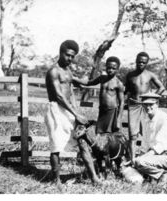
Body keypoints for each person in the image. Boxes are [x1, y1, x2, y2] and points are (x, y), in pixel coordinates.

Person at [44, 40, 101, 186]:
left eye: (72, 56)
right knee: (56, 146)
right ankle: (56, 181)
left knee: (82, 142)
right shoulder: (53, 72)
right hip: (56, 110)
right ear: (60, 52)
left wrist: (76, 113)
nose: (70, 58)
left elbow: (73, 92)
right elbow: (59, 96)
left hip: (69, 110)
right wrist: (76, 114)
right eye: (68, 55)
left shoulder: (68, 71)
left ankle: (94, 178)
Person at [73, 56, 127, 176]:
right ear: (105, 67)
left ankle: (112, 165)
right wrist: (76, 80)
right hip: (102, 112)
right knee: (99, 137)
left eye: (113, 68)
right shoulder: (102, 78)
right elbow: (89, 82)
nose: (110, 70)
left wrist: (118, 119)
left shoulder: (118, 83)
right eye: (108, 67)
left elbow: (122, 102)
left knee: (110, 139)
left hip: (112, 112)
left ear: (118, 69)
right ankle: (99, 163)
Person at [125, 52, 165, 165]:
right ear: (136, 61)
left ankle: (147, 160)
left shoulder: (150, 75)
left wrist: (151, 99)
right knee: (133, 135)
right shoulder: (130, 75)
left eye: (143, 62)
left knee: (148, 133)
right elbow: (125, 90)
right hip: (133, 105)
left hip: (146, 106)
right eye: (139, 61)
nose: (141, 64)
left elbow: (161, 87)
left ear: (147, 63)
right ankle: (132, 161)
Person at [130, 92, 167, 185]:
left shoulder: (165, 119)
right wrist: (137, 157)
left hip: (166, 156)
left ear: (157, 104)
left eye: (151, 104)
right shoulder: (145, 119)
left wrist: (140, 159)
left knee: (139, 162)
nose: (148, 107)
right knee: (134, 164)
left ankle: (164, 173)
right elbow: (146, 143)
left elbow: (159, 147)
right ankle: (154, 175)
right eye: (145, 104)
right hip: (153, 156)